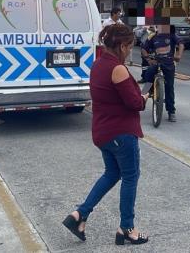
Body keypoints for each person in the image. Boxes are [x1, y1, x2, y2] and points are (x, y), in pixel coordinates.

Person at [63, 24, 149, 246]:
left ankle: (80, 215)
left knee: (112, 174)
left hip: (103, 132)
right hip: (121, 133)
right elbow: (134, 102)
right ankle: (127, 228)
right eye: (129, 46)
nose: (130, 50)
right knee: (130, 177)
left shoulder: (98, 64)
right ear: (121, 45)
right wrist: (144, 99)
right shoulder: (118, 69)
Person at [141, 23, 184, 122]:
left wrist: (179, 55)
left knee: (169, 87)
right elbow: (144, 49)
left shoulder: (172, 35)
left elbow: (181, 44)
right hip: (156, 63)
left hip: (169, 64)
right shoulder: (153, 36)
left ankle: (171, 112)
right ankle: (142, 100)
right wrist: (148, 59)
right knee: (148, 78)